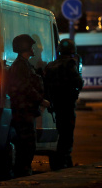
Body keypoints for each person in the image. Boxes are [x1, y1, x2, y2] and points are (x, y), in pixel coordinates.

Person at [7, 34, 51, 177]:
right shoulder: (20, 66)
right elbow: (24, 87)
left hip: (25, 110)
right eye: (31, 47)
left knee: (26, 144)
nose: (33, 49)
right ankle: (22, 172)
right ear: (25, 47)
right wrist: (41, 100)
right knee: (27, 144)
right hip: (23, 111)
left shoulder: (24, 64)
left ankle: (23, 171)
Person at [44, 38, 83, 170]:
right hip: (67, 104)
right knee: (67, 136)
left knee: (61, 133)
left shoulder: (51, 65)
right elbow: (78, 82)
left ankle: (61, 161)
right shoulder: (70, 64)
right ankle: (63, 162)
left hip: (55, 105)